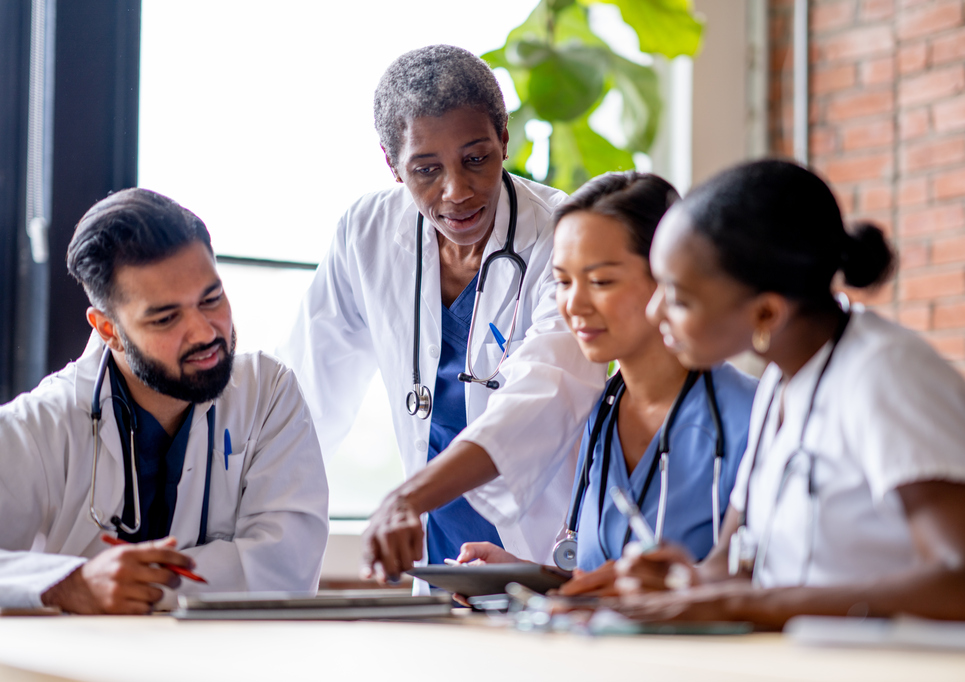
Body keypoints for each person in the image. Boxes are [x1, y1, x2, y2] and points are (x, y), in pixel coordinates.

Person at [613, 159, 965, 626]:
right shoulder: (779, 383)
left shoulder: (887, 374)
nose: (653, 312)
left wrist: (741, 605)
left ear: (767, 314)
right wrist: (683, 583)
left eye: (679, 297)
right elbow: (738, 568)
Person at [278, 45, 605, 583]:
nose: (457, 191)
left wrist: (407, 497)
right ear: (392, 165)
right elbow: (310, 393)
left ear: (504, 137)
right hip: (441, 553)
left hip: (545, 549)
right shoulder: (369, 232)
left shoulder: (562, 233)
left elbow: (548, 394)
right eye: (426, 170)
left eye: (476, 158)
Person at [0, 189, 329, 614]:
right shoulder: (39, 424)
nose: (205, 333)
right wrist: (70, 584)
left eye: (211, 299)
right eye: (166, 318)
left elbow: (287, 568)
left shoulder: (267, 393)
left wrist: (140, 586)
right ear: (108, 329)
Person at [452, 172, 757, 595]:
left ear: (668, 277)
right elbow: (610, 580)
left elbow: (772, 582)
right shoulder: (602, 411)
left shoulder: (751, 419)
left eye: (601, 281)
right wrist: (523, 576)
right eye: (562, 281)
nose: (573, 304)